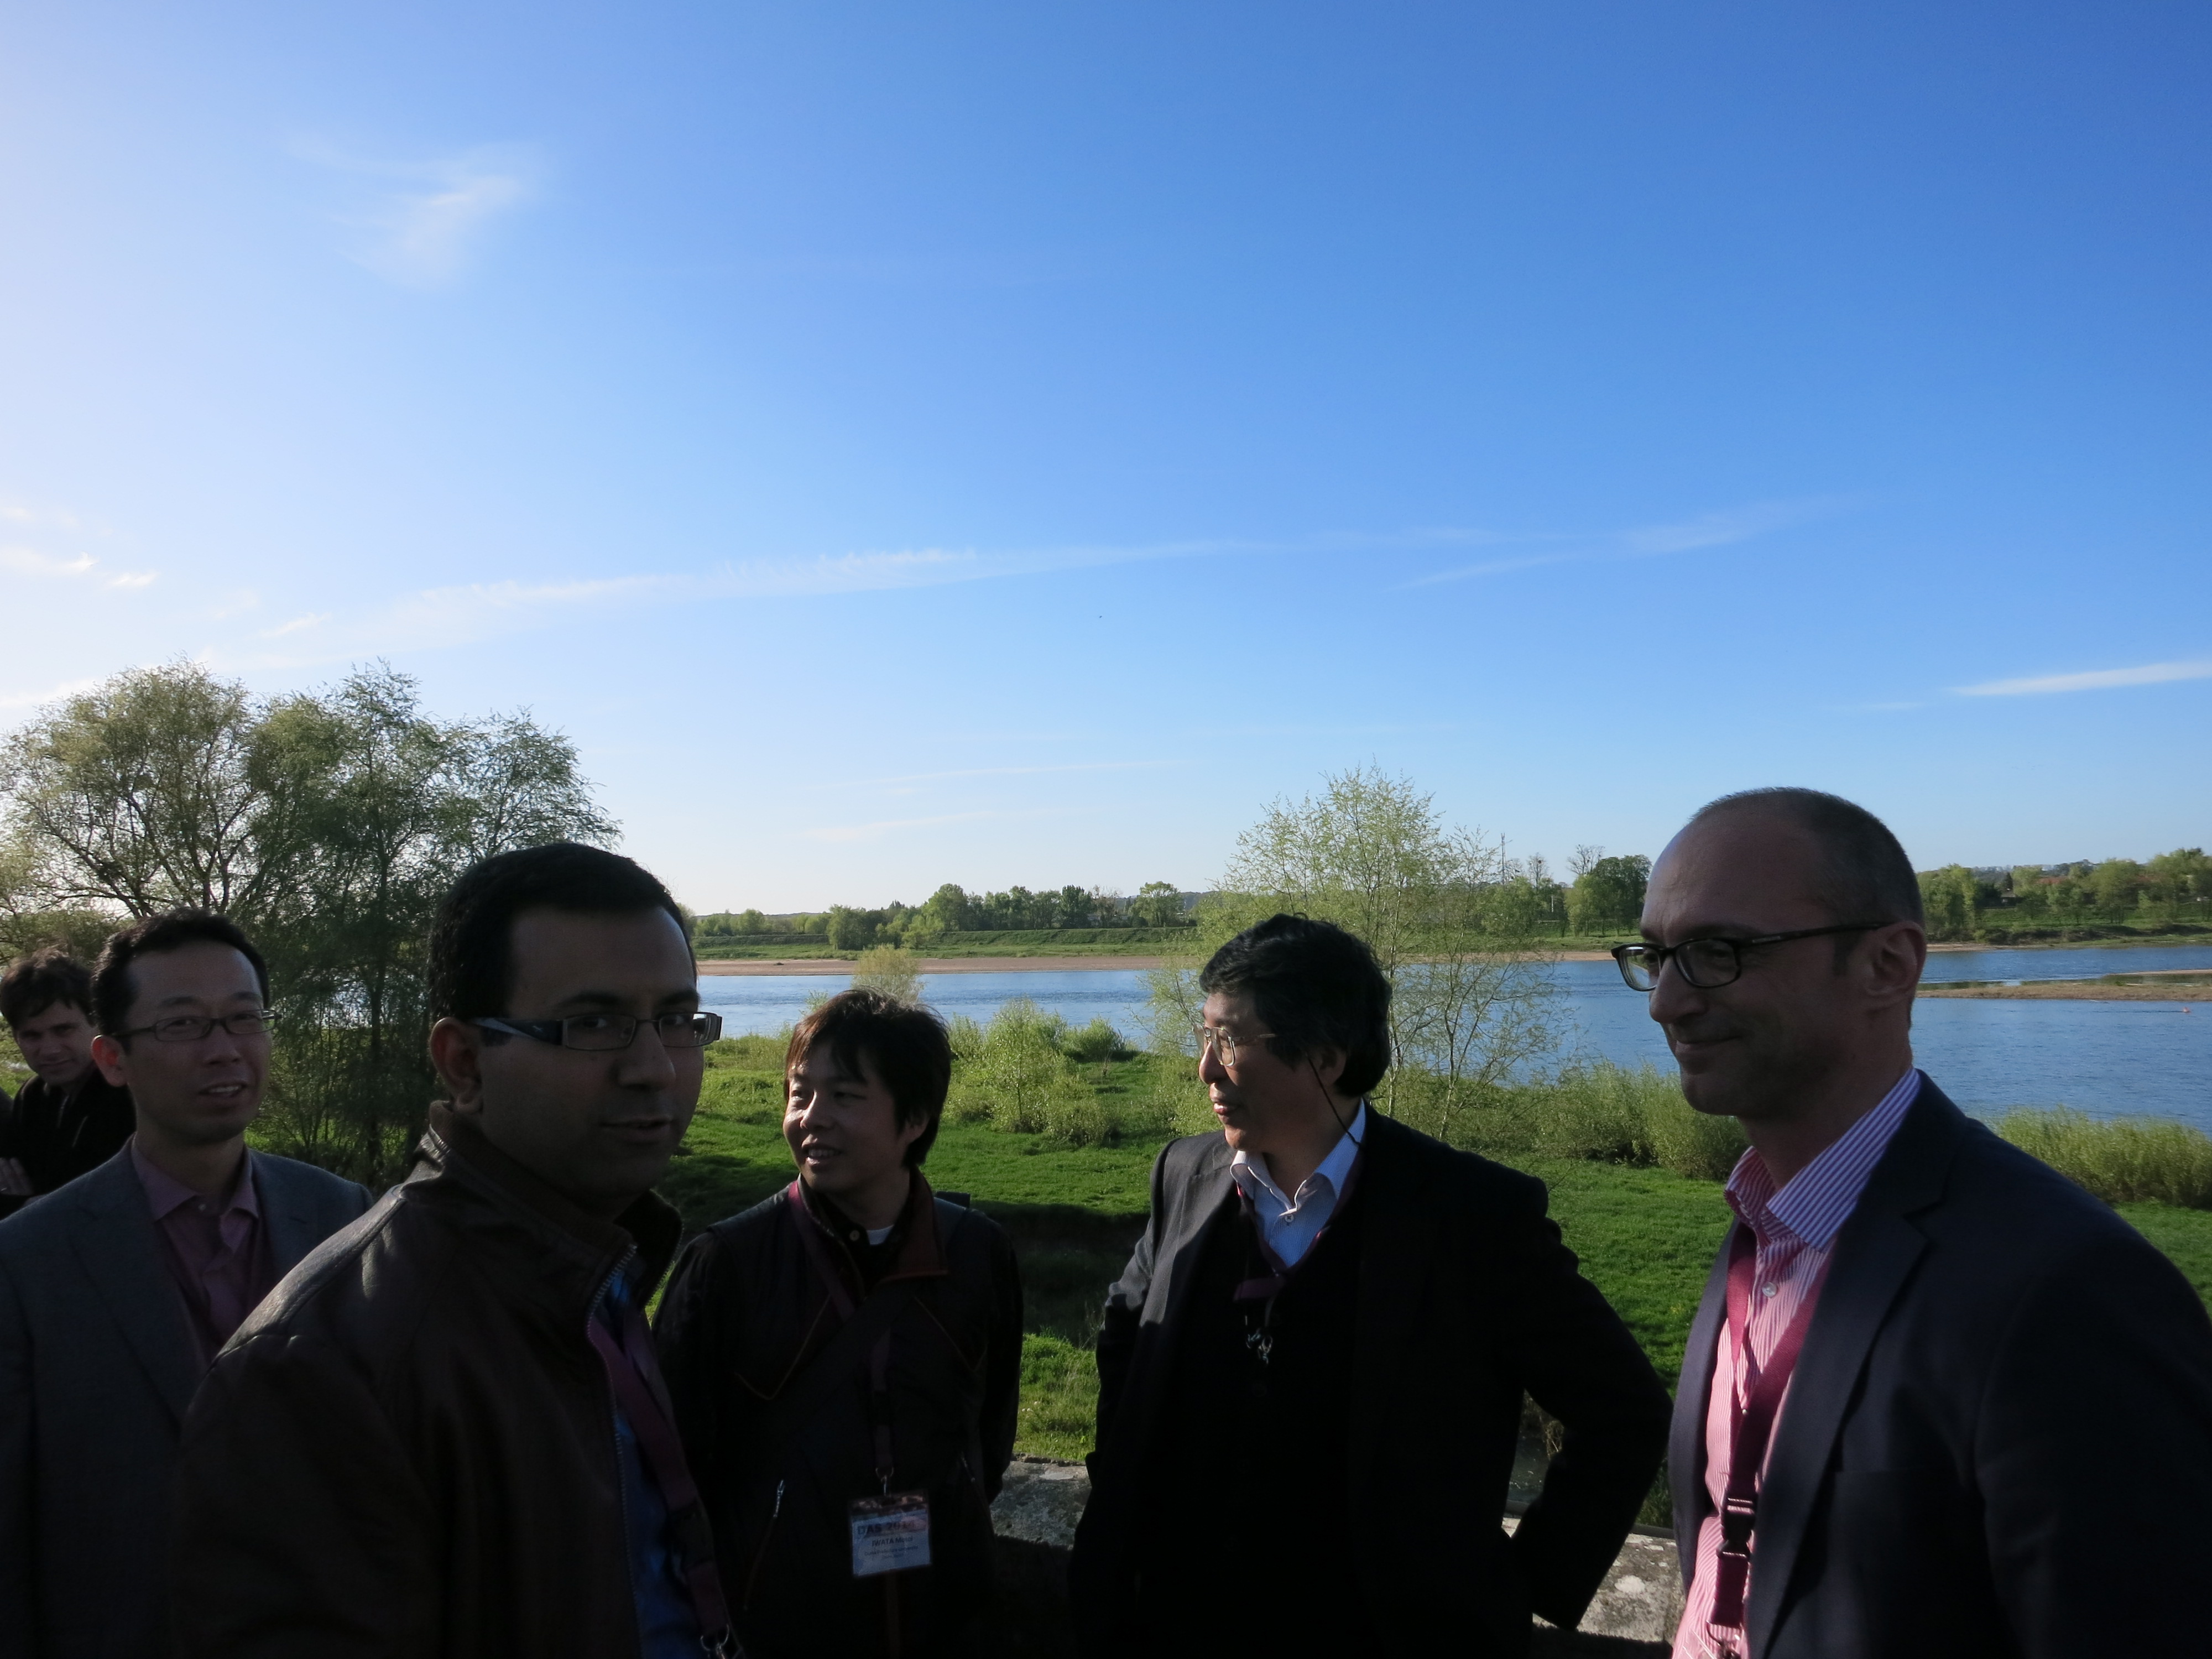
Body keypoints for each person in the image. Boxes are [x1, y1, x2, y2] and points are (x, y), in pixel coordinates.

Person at [1634, 788, 2212, 1659]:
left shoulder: (2069, 1290)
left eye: (1720, 952)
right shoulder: (1761, 1226)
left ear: (1888, 965)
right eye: (1657, 956)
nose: (1666, 1003)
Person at [171, 842, 733, 1658]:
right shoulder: (320, 1370)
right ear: (464, 1063)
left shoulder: (595, 1270)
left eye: (678, 1021)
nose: (655, 1068)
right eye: (594, 1024)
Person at [1071, 914, 1672, 1657]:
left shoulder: (1474, 1215)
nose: (1205, 1070)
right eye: (1204, 1037)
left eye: (1228, 1041)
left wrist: (1514, 1585)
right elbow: (1126, 1338)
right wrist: (1120, 1491)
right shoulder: (1183, 1174)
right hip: (1174, 1626)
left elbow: (1625, 1411)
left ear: (1325, 1058)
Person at [0, 910, 373, 1657]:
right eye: (182, 1025)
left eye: (244, 1018)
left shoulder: (345, 1216)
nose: (224, 1049)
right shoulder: (27, 1259)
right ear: (113, 1059)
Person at [657, 989, 1023, 1659]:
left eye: (846, 1097)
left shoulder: (976, 1253)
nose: (811, 1118)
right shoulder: (728, 1265)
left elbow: (990, 1426)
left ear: (915, 1118)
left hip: (943, 1613)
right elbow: (672, 1464)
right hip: (777, 1623)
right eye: (800, 1094)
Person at [0, 947, 137, 1214]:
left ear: (97, 1024)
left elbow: (102, 1206)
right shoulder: (34, 1096)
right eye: (32, 1036)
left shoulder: (129, 1095)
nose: (50, 1050)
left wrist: (28, 1205)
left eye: (63, 1030)